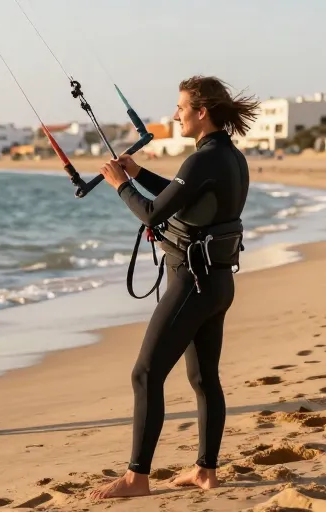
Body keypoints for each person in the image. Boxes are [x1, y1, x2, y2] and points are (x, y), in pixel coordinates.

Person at [88, 75, 257, 500]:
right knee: (204, 380)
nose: (175, 115)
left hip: (193, 284)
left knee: (145, 374)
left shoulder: (203, 159)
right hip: (217, 283)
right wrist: (139, 171)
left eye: (180, 108)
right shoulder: (229, 157)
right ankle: (205, 470)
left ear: (202, 112)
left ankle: (136, 477)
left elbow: (151, 213)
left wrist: (121, 185)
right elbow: (183, 198)